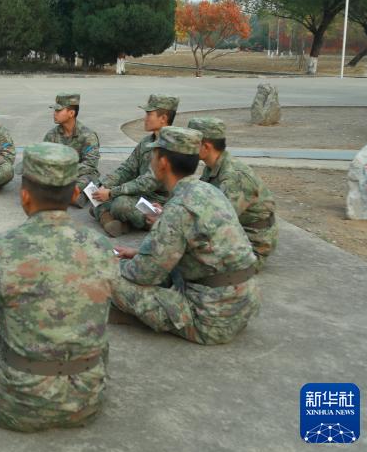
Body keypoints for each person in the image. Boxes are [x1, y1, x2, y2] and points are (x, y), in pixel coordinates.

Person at [0, 143, 115, 432]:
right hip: (87, 399)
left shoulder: (1, 247)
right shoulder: (102, 246)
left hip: (16, 401)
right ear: (74, 194)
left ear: (24, 196)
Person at [111, 127, 261, 345]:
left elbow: (143, 275)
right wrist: (138, 253)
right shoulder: (208, 190)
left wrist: (111, 264)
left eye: (154, 154)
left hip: (210, 318)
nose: (151, 159)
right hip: (243, 304)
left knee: (107, 278)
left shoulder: (179, 207)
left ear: (163, 162)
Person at [188, 117, 278, 269]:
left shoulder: (233, 177)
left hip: (251, 245)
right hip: (235, 235)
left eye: (191, 143)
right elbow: (202, 204)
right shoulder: (213, 166)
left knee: (183, 263)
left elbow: (218, 223)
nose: (185, 148)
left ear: (206, 146)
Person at [91, 94, 178, 237]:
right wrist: (105, 185)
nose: (145, 118)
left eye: (149, 114)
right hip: (139, 195)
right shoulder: (146, 142)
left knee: (120, 204)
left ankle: (108, 217)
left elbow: (147, 183)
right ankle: (112, 220)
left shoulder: (173, 146)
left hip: (160, 202)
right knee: (97, 192)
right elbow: (127, 168)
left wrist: (111, 192)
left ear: (163, 118)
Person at [43, 93, 100, 207]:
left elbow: (90, 164)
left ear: (71, 113)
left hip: (81, 174)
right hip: (58, 175)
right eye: (54, 110)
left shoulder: (88, 136)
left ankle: (81, 193)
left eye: (58, 111)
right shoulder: (51, 135)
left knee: (83, 182)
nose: (54, 113)